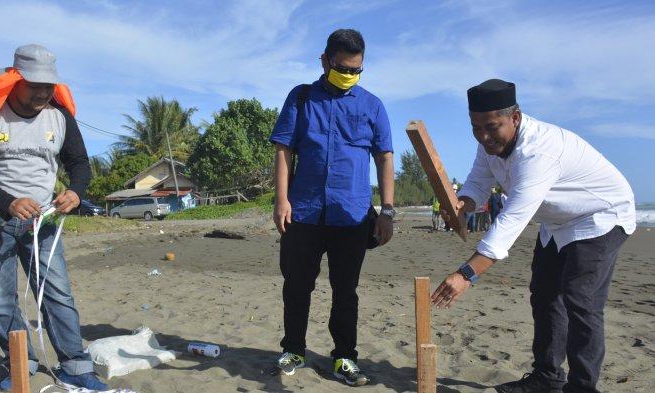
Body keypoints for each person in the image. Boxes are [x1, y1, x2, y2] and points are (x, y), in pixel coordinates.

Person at [432, 79, 635, 393]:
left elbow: (511, 221)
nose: (484, 137)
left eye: (492, 127)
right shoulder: (488, 144)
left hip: (601, 214)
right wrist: (463, 205)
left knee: (580, 298)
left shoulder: (538, 151)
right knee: (544, 294)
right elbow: (477, 184)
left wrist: (467, 273)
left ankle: (583, 387)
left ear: (515, 117)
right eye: (476, 128)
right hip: (557, 221)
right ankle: (547, 377)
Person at [0, 44, 107, 391]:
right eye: (35, 85)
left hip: (43, 223)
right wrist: (7, 202)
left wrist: (77, 191)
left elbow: (79, 164)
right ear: (16, 80)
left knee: (57, 294)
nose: (43, 92)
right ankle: (21, 363)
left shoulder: (60, 117)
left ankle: (74, 364)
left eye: (49, 86)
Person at [269, 29, 395, 387]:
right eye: (342, 68)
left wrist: (387, 211)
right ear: (324, 61)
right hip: (303, 212)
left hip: (352, 216)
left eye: (356, 70)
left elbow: (385, 157)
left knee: (345, 290)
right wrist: (281, 200)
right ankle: (293, 348)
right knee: (296, 285)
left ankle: (344, 357)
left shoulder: (372, 105)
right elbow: (283, 150)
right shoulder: (302, 97)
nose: (348, 76)